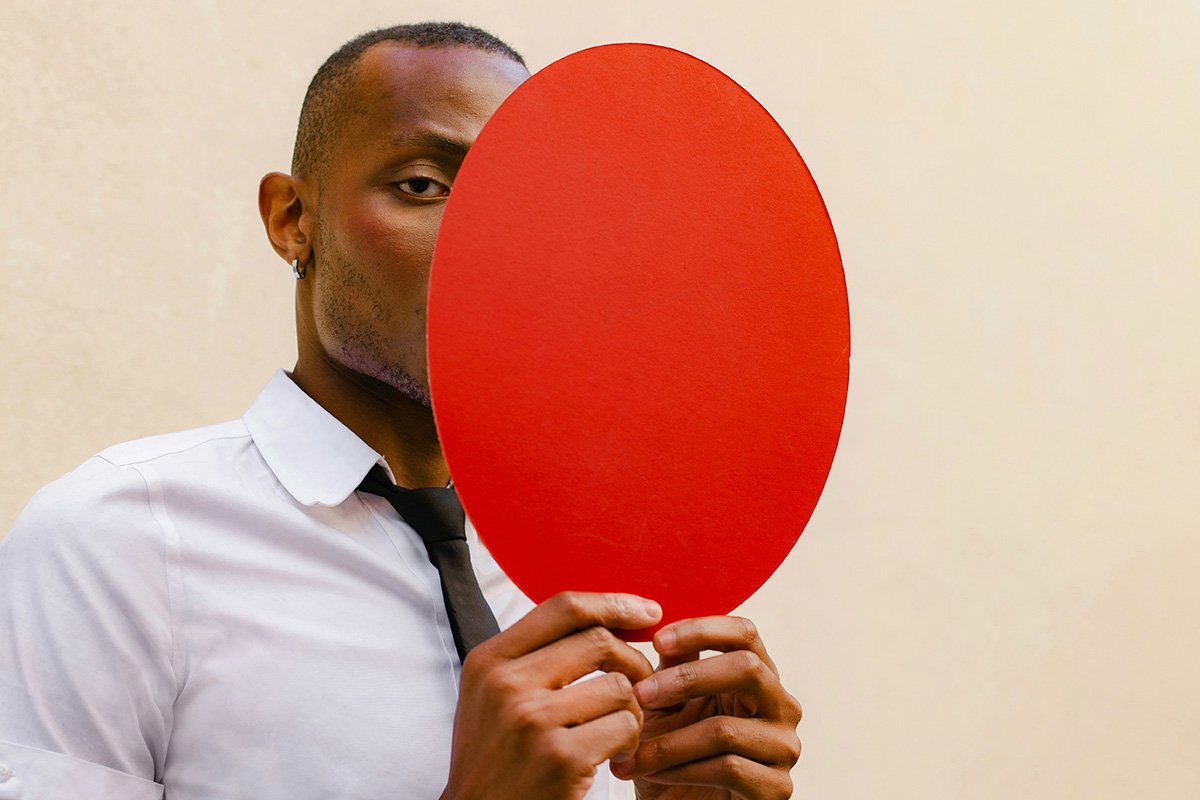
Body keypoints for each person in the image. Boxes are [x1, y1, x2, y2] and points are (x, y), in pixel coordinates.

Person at [0, 22, 802, 800]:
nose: (485, 242)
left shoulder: (585, 569)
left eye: (519, 200)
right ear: (292, 219)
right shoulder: (122, 543)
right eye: (423, 185)